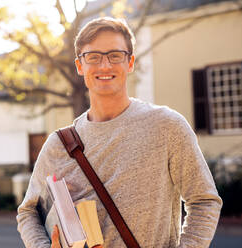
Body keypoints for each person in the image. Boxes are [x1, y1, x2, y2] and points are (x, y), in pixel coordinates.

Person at [17, 17, 222, 248]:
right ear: (80, 65)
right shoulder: (59, 144)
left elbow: (204, 200)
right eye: (93, 57)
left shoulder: (167, 126)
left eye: (115, 55)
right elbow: (28, 212)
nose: (105, 66)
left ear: (130, 62)